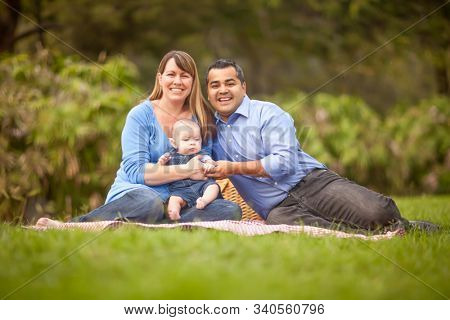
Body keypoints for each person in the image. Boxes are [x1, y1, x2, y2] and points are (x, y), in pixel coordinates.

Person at [205, 58, 437, 232]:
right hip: (278, 209)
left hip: (312, 183)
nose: (222, 90)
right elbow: (194, 156)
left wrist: (233, 168)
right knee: (294, 227)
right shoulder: (210, 131)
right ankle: (376, 235)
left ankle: (405, 226)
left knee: (378, 212)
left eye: (230, 83)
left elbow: (283, 163)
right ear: (208, 91)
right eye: (215, 85)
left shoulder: (268, 113)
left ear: (243, 87)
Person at [51, 52, 241, 225]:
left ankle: (163, 224)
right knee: (150, 204)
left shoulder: (201, 117)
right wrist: (186, 169)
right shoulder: (140, 115)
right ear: (160, 78)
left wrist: (206, 169)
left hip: (184, 199)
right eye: (171, 74)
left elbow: (202, 163)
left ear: (193, 81)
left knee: (230, 209)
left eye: (185, 75)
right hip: (140, 194)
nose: (178, 81)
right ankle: (76, 224)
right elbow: (136, 171)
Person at [158, 119, 221, 220]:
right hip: (181, 190)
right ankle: (174, 214)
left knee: (213, 187)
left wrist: (209, 165)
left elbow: (211, 162)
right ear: (174, 143)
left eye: (196, 139)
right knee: (174, 199)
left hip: (202, 186)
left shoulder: (202, 155)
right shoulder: (169, 156)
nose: (192, 143)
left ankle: (204, 201)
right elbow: (160, 171)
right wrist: (161, 163)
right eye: (186, 140)